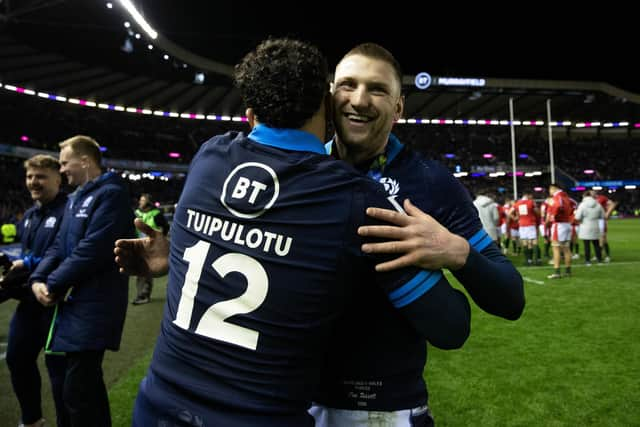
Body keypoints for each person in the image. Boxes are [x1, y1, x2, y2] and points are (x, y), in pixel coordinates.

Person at [118, 38, 470, 427]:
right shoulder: (351, 197)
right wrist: (454, 252)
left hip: (156, 408)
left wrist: (179, 254)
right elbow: (451, 326)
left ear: (251, 114)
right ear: (327, 105)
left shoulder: (209, 158)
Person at [311, 42, 524, 426]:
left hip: (387, 411)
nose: (359, 100)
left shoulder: (430, 182)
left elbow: (511, 299)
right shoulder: (303, 172)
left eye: (377, 89)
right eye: (347, 85)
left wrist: (457, 252)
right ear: (329, 95)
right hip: (296, 404)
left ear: (398, 108)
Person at [29, 135, 134, 427]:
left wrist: (53, 283)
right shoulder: (76, 198)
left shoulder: (111, 194)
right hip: (73, 305)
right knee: (74, 389)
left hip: (97, 305)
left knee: (79, 388)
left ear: (85, 161)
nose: (61, 170)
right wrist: (38, 278)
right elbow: (58, 245)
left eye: (65, 163)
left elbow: (94, 249)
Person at [2, 154, 69, 427]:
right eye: (30, 177)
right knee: (17, 358)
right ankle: (32, 420)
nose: (33, 182)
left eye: (40, 176)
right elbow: (27, 255)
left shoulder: (70, 211)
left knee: (61, 375)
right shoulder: (29, 215)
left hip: (59, 303)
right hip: (29, 302)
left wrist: (27, 266)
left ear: (58, 178)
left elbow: (66, 255)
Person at [132, 193, 169, 305]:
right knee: (139, 272)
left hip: (151, 248)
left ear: (148, 202)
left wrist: (159, 240)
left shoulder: (156, 214)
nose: (140, 202)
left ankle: (144, 295)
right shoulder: (137, 213)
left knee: (146, 272)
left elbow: (166, 227)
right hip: (139, 245)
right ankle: (141, 294)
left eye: (142, 200)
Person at [546, 183, 574, 279]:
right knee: (566, 248)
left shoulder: (557, 197)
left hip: (559, 225)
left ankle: (557, 272)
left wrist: (553, 215)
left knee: (556, 248)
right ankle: (568, 271)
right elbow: (574, 206)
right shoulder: (566, 197)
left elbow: (557, 205)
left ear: (553, 188)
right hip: (567, 224)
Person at [575, 190, 605, 265]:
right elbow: (603, 215)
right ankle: (599, 260)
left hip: (585, 226)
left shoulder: (582, 205)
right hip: (595, 225)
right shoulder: (598, 204)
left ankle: (588, 261)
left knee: (586, 245)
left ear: (584, 196)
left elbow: (577, 217)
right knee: (596, 244)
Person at [513, 191, 541, 266]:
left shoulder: (517, 203)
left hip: (522, 224)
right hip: (530, 224)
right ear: (528, 195)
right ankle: (537, 260)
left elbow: (510, 213)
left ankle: (528, 260)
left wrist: (516, 218)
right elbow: (538, 212)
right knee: (533, 242)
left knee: (525, 242)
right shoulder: (531, 202)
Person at [595, 191, 617, 262]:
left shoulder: (602, 198)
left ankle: (607, 256)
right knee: (597, 239)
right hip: (593, 221)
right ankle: (598, 255)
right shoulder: (591, 199)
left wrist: (607, 213)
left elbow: (612, 204)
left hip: (601, 220)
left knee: (603, 238)